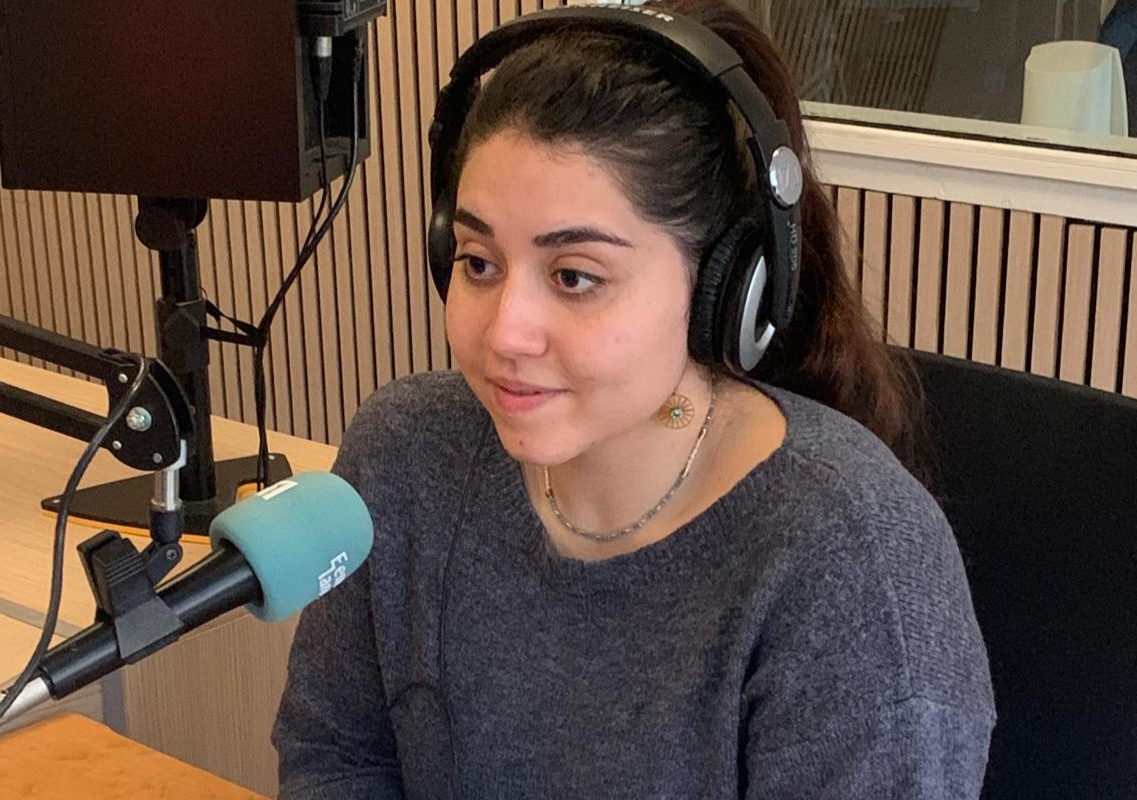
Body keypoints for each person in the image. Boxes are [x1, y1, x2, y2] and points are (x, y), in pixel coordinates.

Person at [273, 2, 996, 798]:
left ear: (724, 290)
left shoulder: (852, 565)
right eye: (478, 262)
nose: (505, 332)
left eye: (574, 277)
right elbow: (334, 754)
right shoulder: (405, 453)